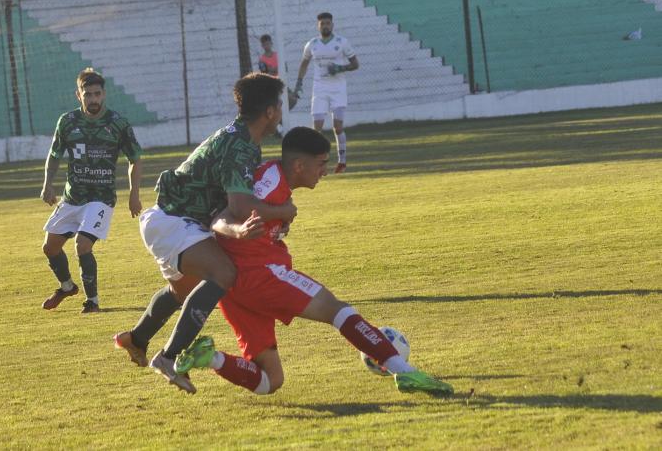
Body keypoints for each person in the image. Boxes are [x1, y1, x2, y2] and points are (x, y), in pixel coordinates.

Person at [173, 126, 454, 397]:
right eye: (321, 163)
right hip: (258, 274)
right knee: (337, 310)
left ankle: (210, 358)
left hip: (235, 286)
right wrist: (245, 228)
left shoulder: (275, 180)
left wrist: (272, 227)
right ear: (298, 166)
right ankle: (403, 371)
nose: (324, 171)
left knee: (271, 380)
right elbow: (221, 217)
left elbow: (246, 216)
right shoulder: (269, 181)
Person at [113, 72, 298, 394]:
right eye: (279, 105)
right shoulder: (240, 145)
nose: (281, 111)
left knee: (184, 292)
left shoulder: (242, 140)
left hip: (175, 220)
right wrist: (284, 211)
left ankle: (137, 338)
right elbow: (239, 205)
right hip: (174, 220)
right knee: (223, 273)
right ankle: (168, 357)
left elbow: (234, 205)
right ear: (269, 111)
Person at [40, 68, 143, 314]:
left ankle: (92, 302)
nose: (93, 99)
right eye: (88, 95)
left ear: (104, 95)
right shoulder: (67, 122)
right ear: (79, 95)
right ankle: (66, 287)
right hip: (73, 196)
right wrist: (47, 183)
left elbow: (135, 159)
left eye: (97, 94)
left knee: (82, 245)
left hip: (101, 198)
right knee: (50, 247)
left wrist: (134, 193)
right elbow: (54, 155)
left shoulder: (118, 123)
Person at [294, 12, 359, 174]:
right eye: (322, 23)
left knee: (337, 126)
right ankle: (316, 164)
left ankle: (342, 162)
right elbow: (304, 64)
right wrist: (299, 82)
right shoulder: (312, 44)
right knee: (317, 129)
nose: (325, 26)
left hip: (338, 89)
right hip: (320, 89)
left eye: (328, 23)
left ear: (332, 25)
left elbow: (355, 64)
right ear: (318, 26)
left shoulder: (342, 42)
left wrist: (340, 68)